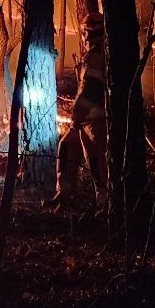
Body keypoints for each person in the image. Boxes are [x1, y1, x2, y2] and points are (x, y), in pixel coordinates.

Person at [50, 12, 108, 206]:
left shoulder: (96, 54)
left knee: (96, 161)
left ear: (87, 32)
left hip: (95, 119)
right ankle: (64, 194)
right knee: (66, 146)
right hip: (86, 118)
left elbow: (91, 88)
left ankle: (104, 202)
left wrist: (77, 115)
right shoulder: (95, 51)